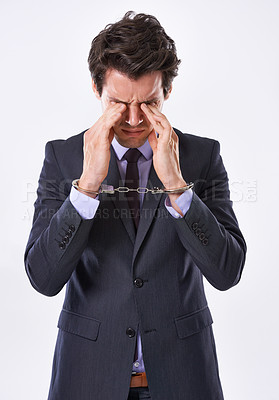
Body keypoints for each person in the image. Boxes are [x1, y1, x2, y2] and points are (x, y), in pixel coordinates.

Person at [24, 11, 246, 400]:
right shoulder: (62, 158)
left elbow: (227, 272)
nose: (131, 119)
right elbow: (43, 278)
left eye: (148, 103)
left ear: (168, 92)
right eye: (117, 102)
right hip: (87, 377)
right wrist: (87, 186)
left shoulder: (201, 156)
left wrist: (178, 186)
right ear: (96, 90)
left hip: (183, 376)